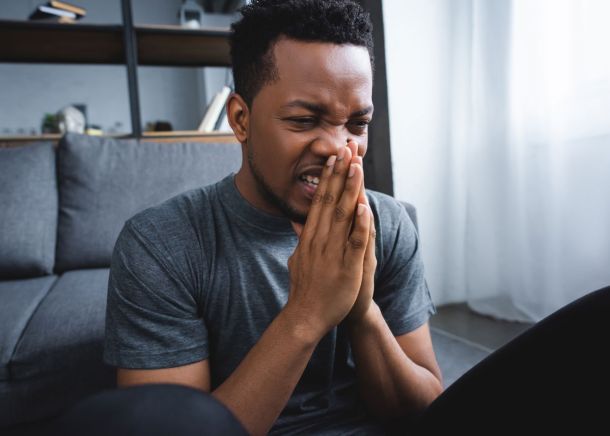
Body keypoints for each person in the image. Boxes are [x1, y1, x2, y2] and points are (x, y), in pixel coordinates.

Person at [53, 0, 610, 435]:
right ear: (241, 120)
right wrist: (308, 312)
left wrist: (361, 310)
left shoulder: (388, 223)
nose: (340, 148)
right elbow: (177, 427)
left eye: (357, 124)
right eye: (304, 120)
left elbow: (423, 407)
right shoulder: (161, 243)